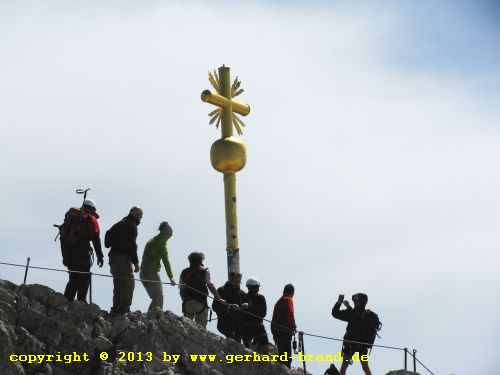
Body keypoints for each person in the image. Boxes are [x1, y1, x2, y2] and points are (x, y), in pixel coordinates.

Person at [61, 199, 104, 302]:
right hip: (82, 254)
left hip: (69, 254)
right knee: (84, 278)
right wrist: (100, 256)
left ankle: (67, 301)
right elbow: (95, 238)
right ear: (92, 209)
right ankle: (81, 302)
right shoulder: (90, 219)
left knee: (73, 278)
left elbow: (64, 238)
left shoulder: (71, 217)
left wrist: (65, 257)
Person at [105, 206, 143, 317]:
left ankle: (116, 309)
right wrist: (136, 263)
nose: (139, 217)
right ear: (132, 213)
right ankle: (124, 309)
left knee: (118, 284)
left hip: (113, 257)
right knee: (128, 283)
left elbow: (107, 241)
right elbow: (132, 246)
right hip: (123, 258)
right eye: (138, 214)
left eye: (140, 216)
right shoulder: (131, 226)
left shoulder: (119, 224)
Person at [332, 293, 380, 375]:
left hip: (350, 345)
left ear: (357, 302)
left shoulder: (352, 313)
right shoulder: (370, 315)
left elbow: (335, 313)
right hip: (363, 345)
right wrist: (349, 307)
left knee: (344, 366)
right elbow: (359, 318)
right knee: (365, 366)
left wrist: (339, 302)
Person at [179, 252, 223, 328]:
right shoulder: (204, 271)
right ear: (201, 261)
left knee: (186, 327)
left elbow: (181, 288)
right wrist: (219, 298)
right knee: (201, 328)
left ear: (190, 261)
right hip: (201, 303)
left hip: (187, 303)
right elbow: (210, 285)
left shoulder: (184, 272)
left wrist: (185, 300)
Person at [140, 221, 176, 313]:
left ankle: (151, 316)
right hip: (150, 272)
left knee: (156, 297)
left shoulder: (153, 240)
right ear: (163, 230)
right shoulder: (160, 243)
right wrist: (171, 277)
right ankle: (154, 318)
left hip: (143, 273)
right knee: (158, 297)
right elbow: (166, 261)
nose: (171, 233)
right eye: (169, 230)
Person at [212, 271, 247, 342]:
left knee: (237, 341)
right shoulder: (221, 290)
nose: (237, 283)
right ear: (230, 279)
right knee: (231, 341)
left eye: (239, 281)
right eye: (235, 281)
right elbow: (215, 306)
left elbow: (248, 306)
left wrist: (245, 305)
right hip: (225, 323)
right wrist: (228, 307)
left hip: (238, 325)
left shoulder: (242, 293)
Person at [271, 283, 297, 368]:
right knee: (287, 357)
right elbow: (290, 314)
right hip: (284, 331)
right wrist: (293, 326)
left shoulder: (279, 301)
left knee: (282, 353)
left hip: (276, 330)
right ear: (292, 293)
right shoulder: (288, 300)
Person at [240, 277, 269, 349]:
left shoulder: (261, 298)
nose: (258, 289)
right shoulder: (244, 297)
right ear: (250, 287)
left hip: (258, 326)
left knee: (264, 346)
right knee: (247, 349)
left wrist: (249, 308)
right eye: (256, 287)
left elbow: (263, 313)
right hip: (247, 327)